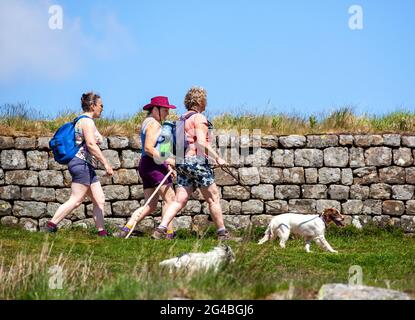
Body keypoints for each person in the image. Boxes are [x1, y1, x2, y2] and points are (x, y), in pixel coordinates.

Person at [151, 87, 240, 241]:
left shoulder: (181, 119)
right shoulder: (199, 118)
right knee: (213, 198)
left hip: (182, 163)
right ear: (200, 101)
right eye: (205, 99)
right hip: (197, 163)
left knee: (179, 200)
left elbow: (179, 146)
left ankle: (160, 229)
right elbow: (200, 142)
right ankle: (222, 233)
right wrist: (218, 158)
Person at [47, 92, 114, 236]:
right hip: (81, 163)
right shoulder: (86, 121)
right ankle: (51, 225)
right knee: (76, 199)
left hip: (86, 165)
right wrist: (106, 164)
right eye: (101, 105)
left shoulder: (83, 121)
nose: (102, 108)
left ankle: (102, 232)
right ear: (92, 105)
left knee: (99, 198)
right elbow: (90, 144)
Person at [114, 96, 177, 239]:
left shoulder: (147, 122)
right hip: (153, 164)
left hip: (146, 164)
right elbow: (149, 148)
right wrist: (167, 160)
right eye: (165, 110)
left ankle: (126, 229)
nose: (167, 113)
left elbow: (153, 148)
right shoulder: (153, 124)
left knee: (151, 205)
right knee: (170, 199)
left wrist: (166, 165)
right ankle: (168, 233)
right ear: (155, 109)